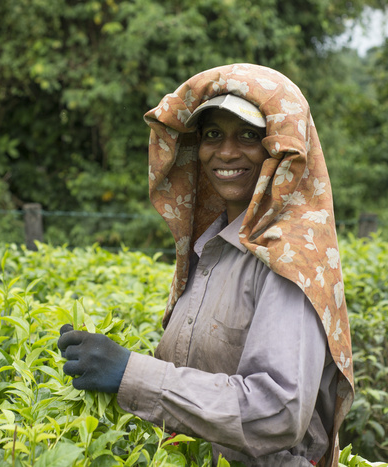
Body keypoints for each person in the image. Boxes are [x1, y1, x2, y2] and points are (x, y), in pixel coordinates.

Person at [57, 63, 354, 467]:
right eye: (213, 134)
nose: (226, 152)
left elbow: (278, 412)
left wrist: (129, 372)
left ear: (279, 150)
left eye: (249, 136)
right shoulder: (209, 248)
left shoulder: (287, 260)